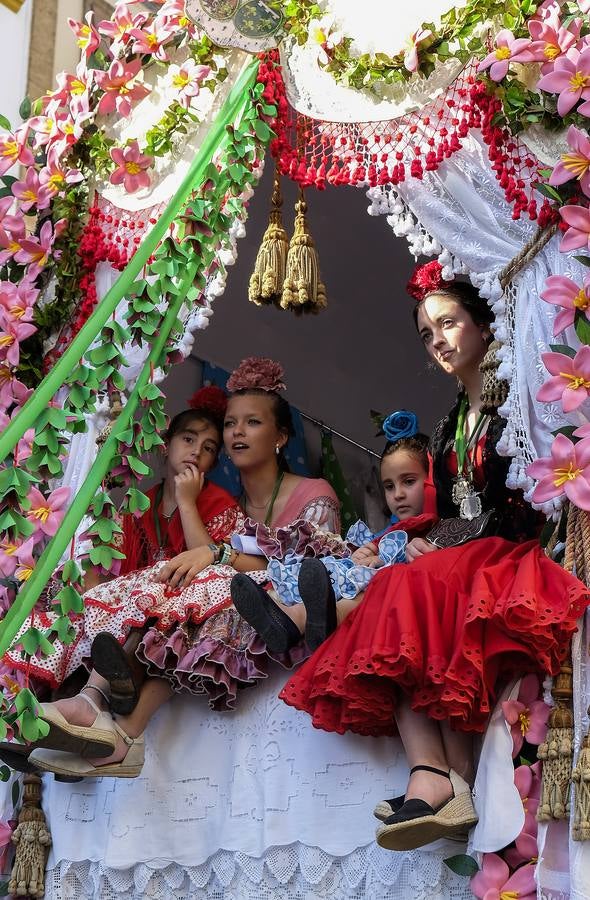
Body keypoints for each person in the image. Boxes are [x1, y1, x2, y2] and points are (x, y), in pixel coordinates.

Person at [279, 261, 590, 852]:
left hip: (511, 555)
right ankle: (443, 777)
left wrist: (445, 543)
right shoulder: (450, 425)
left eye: (448, 323)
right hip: (462, 558)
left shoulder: (518, 400)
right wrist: (429, 538)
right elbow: (444, 512)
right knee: (398, 590)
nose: (438, 341)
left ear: (482, 322)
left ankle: (443, 777)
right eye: (427, 332)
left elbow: (532, 497)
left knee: (399, 589)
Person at [6, 358, 340, 779]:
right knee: (107, 600)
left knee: (177, 607)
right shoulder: (176, 504)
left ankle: (101, 712)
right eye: (231, 424)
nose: (235, 432)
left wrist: (203, 533)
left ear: (281, 437)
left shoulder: (270, 496)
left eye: (251, 422)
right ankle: (66, 718)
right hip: (197, 601)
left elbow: (311, 567)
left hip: (260, 604)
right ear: (166, 444)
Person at [231, 417, 437, 652]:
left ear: (432, 480)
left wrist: (379, 560)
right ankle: (290, 620)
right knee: (325, 574)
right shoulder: (388, 532)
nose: (397, 494)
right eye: (389, 486)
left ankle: (332, 619)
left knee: (372, 583)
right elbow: (371, 549)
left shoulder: (436, 529)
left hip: (390, 589)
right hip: (363, 573)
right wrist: (364, 552)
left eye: (408, 481)